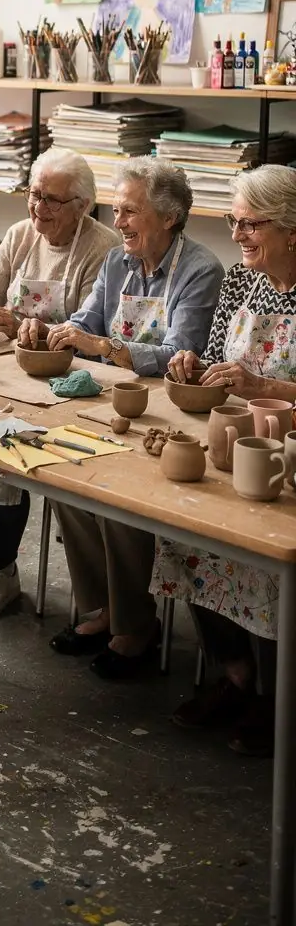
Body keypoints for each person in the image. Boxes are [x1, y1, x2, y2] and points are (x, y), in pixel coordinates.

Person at [0, 148, 119, 622]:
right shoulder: (19, 235)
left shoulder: (102, 248)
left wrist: (21, 322)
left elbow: (88, 332)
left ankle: (0, 567)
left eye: (51, 200)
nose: (38, 209)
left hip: (65, 386)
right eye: (34, 195)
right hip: (6, 372)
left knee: (0, 456)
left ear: (83, 206)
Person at [46, 158, 224, 679]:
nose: (118, 222)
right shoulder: (119, 262)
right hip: (112, 400)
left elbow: (181, 353)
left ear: (168, 217)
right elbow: (89, 320)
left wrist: (104, 346)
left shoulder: (200, 269)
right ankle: (101, 608)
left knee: (121, 496)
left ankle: (135, 627)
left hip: (170, 412)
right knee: (66, 480)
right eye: (117, 209)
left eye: (130, 211)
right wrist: (58, 332)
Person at [155, 165, 296, 756]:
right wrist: (189, 366)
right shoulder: (241, 282)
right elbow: (214, 359)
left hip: (285, 455)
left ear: (291, 226)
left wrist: (268, 384)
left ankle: (277, 698)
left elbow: (259, 380)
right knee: (184, 530)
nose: (237, 235)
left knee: (263, 559)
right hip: (230, 441)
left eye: (249, 224)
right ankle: (236, 677)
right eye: (232, 221)